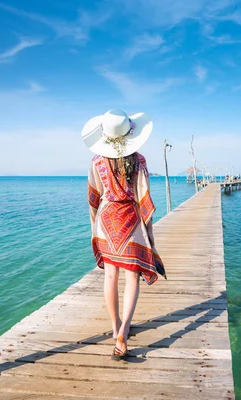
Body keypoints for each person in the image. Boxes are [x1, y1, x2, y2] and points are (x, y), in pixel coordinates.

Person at [81, 109, 166, 360]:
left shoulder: (96, 161)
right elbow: (144, 198)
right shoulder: (139, 160)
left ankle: (116, 325)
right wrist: (149, 235)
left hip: (106, 222)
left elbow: (93, 198)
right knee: (131, 278)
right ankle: (123, 332)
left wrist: (94, 228)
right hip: (130, 221)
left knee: (110, 277)